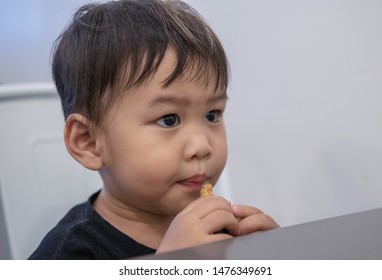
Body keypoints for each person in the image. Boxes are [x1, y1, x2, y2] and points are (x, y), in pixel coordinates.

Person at [29, 0, 279, 260]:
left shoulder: (221, 231)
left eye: (211, 115)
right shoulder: (70, 254)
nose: (203, 146)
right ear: (89, 142)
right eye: (169, 119)